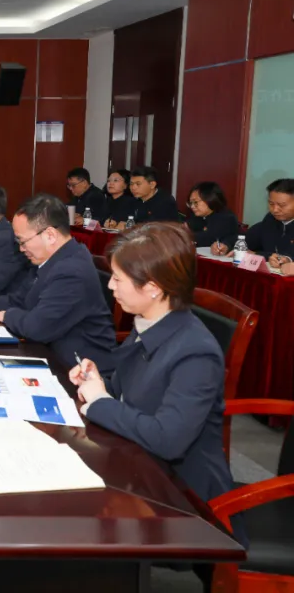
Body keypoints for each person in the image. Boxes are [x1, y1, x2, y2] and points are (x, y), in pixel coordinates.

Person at [70, 223, 245, 548]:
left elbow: (167, 440)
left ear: (153, 287)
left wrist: (100, 403)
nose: (110, 285)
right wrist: (99, 383)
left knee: (82, 523)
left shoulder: (195, 352)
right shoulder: (150, 322)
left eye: (118, 279)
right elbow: (131, 391)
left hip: (186, 498)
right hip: (141, 467)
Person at [0, 193, 117, 372]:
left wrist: (7, 316)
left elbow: (37, 327)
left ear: (50, 235)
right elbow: (17, 299)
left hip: (79, 370)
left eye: (23, 241)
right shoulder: (52, 259)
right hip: (51, 355)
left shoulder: (72, 270)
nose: (21, 248)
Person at [214, 178, 294, 266]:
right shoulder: (270, 220)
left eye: (282, 205)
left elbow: (288, 255)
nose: (275, 210)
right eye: (271, 204)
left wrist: (257, 254)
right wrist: (226, 245)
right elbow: (246, 238)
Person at [111, 166, 179, 228]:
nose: (133, 188)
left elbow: (155, 228)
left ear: (152, 185)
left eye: (138, 184)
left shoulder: (165, 202)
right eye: (131, 184)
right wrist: (115, 223)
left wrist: (130, 226)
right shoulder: (135, 200)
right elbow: (127, 218)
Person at [185, 182, 240, 248]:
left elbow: (207, 238)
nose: (192, 206)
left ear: (210, 199)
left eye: (195, 202)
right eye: (190, 203)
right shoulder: (198, 216)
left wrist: (183, 235)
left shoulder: (227, 218)